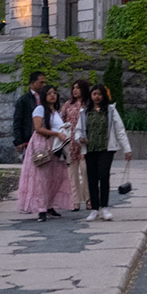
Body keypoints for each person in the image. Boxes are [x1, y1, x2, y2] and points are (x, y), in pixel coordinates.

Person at [74, 81, 131, 221]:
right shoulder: (85, 112)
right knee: (92, 178)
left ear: (103, 96)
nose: (97, 97)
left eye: (99, 94)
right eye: (94, 94)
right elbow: (78, 130)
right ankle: (94, 209)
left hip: (106, 148)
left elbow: (120, 130)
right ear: (90, 96)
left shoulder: (111, 110)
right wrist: (79, 139)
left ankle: (105, 207)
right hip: (90, 148)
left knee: (104, 175)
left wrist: (127, 149)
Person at [17, 86, 71, 220]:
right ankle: (41, 208)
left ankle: (50, 205)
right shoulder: (40, 109)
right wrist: (56, 133)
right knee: (41, 177)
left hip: (56, 146)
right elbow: (38, 128)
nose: (52, 96)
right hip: (43, 144)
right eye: (49, 93)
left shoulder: (56, 111)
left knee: (55, 176)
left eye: (54, 93)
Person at [63, 80, 91, 212]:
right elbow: (61, 120)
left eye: (78, 88)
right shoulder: (68, 104)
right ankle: (75, 201)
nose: (75, 90)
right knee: (72, 174)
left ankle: (88, 199)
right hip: (70, 144)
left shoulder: (88, 104)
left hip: (84, 143)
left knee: (85, 172)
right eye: (73, 88)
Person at [11, 72, 45, 159]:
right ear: (33, 82)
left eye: (44, 82)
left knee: (44, 161)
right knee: (32, 163)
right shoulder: (23, 100)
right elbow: (18, 121)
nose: (43, 85)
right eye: (41, 82)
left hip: (45, 137)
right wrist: (19, 141)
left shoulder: (45, 98)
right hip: (29, 138)